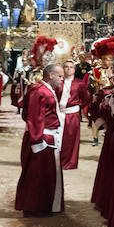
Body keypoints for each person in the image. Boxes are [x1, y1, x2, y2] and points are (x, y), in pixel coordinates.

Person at [15, 63, 64, 216]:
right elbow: (34, 117)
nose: (62, 79)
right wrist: (37, 140)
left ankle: (45, 205)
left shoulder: (45, 90)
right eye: (60, 76)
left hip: (49, 137)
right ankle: (34, 207)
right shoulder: (39, 91)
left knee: (47, 174)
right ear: (51, 75)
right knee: (37, 174)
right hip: (42, 138)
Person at [57, 58, 88, 170]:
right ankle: (57, 160)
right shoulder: (58, 82)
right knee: (58, 137)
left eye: (71, 67)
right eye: (66, 67)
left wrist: (76, 105)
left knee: (71, 138)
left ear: (75, 70)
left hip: (72, 114)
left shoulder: (79, 84)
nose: (68, 69)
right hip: (59, 113)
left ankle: (70, 162)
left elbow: (85, 99)